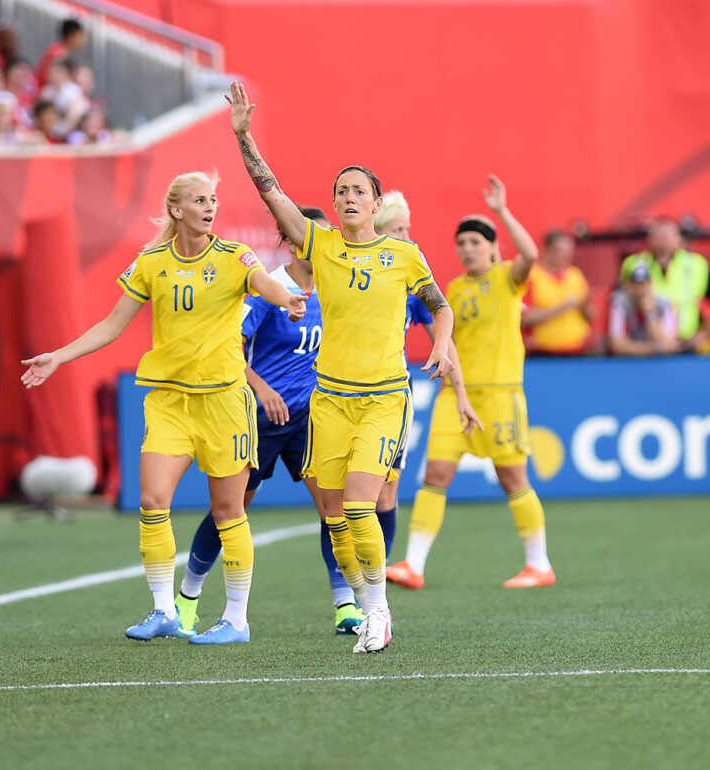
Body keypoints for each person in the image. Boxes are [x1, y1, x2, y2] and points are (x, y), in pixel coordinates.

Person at [227, 82, 478, 653]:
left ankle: (379, 611)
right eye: (339, 190)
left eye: (357, 191)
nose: (346, 197)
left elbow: (439, 307)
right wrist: (245, 139)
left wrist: (441, 344)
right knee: (336, 520)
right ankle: (364, 604)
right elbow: (272, 195)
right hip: (329, 401)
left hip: (385, 398)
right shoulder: (319, 244)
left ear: (375, 200)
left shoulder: (404, 254)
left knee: (363, 504)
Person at [21, 171, 306, 645]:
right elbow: (111, 325)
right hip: (170, 401)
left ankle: (236, 620)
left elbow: (263, 283)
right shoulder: (151, 262)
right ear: (177, 210)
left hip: (224, 403)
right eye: (199, 200)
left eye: (213, 199)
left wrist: (288, 299)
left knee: (228, 509)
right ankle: (164, 611)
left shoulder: (235, 255)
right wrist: (59, 356)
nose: (210, 207)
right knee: (152, 502)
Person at [176, 206, 367, 637]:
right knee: (231, 510)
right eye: (312, 235)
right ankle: (186, 599)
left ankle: (345, 607)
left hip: (309, 418)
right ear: (293, 240)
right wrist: (261, 388)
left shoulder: (335, 289)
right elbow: (229, 346)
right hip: (260, 419)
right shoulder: (270, 288)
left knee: (332, 509)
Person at [387, 175, 555, 591]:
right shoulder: (455, 290)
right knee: (435, 476)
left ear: (494, 247)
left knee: (512, 479)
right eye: (461, 243)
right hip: (454, 394)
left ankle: (540, 565)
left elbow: (531, 253)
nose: (467, 249)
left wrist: (500, 210)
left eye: (476, 242)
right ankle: (414, 565)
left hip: (500, 395)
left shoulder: (507, 279)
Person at [372, 189, 435, 559]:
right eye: (399, 229)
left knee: (386, 490)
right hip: (343, 390)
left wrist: (457, 385)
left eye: (408, 228)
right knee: (344, 497)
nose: (408, 238)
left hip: (394, 392)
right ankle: (348, 591)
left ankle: (375, 588)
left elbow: (440, 317)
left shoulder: (411, 282)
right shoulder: (349, 274)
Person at [620, 218, 710, 351]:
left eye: (668, 235)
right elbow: (620, 301)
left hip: (686, 343)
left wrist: (707, 333)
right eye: (658, 234)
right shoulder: (636, 264)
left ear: (679, 240)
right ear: (649, 239)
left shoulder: (695, 264)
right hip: (646, 344)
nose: (663, 239)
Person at [522, 230, 595, 355]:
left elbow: (591, 315)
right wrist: (562, 307)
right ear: (546, 250)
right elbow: (524, 318)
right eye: (560, 251)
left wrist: (583, 305)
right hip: (542, 353)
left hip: (578, 351)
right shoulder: (532, 276)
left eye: (568, 251)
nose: (565, 256)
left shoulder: (575, 275)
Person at [607, 261, 679, 356]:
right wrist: (654, 348)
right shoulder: (620, 303)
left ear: (651, 284)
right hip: (627, 363)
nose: (640, 289)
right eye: (635, 284)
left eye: (644, 283)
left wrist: (650, 314)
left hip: (658, 364)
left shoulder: (664, 304)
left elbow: (670, 345)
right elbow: (616, 345)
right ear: (627, 285)